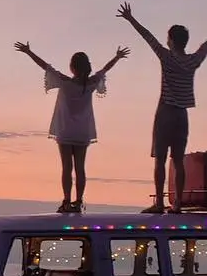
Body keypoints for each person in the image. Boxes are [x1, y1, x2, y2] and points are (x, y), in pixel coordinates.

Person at [116, 2, 207, 213]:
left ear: (171, 41)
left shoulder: (167, 57)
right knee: (178, 161)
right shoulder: (192, 62)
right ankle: (178, 204)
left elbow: (148, 37)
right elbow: (206, 46)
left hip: (165, 112)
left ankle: (160, 203)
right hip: (182, 115)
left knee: (160, 160)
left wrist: (130, 18)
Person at [14, 42, 130, 212]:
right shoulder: (90, 84)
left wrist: (28, 52)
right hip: (83, 132)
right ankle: (78, 201)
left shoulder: (65, 82)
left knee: (67, 167)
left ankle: (66, 201)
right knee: (80, 168)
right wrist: (117, 57)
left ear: (72, 67)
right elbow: (105, 69)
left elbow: (45, 66)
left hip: (65, 130)